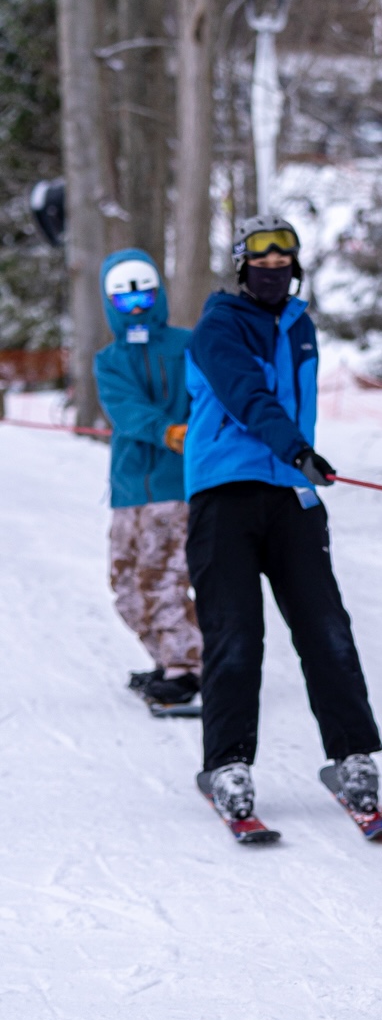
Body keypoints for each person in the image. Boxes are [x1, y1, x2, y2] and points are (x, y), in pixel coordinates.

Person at [183, 215, 382, 825]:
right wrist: (294, 447)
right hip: (224, 493)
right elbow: (248, 395)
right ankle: (227, 763)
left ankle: (351, 756)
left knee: (327, 630)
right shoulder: (217, 326)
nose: (272, 271)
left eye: (283, 262)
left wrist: (298, 463)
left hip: (292, 493)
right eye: (260, 262)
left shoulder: (300, 325)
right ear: (242, 267)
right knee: (237, 635)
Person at [94, 251, 202, 710]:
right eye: (124, 298)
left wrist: (188, 433)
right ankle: (169, 659)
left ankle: (186, 669)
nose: (136, 306)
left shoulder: (188, 346)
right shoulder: (109, 360)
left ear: (157, 294)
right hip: (129, 487)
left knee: (163, 577)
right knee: (125, 585)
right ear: (110, 303)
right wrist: (164, 430)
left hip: (175, 486)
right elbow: (124, 408)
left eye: (144, 294)